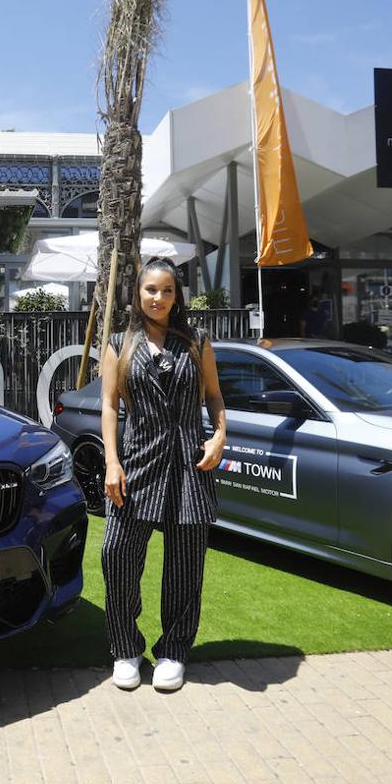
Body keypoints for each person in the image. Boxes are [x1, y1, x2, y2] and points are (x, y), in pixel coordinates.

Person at [99, 258, 226, 692]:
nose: (158, 297)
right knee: (116, 554)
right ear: (138, 293)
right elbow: (110, 406)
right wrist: (111, 461)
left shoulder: (196, 342)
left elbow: (214, 397)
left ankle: (173, 650)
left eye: (167, 290)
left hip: (190, 467)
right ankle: (126, 648)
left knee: (185, 567)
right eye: (151, 289)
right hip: (137, 463)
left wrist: (219, 436)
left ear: (177, 296)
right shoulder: (119, 343)